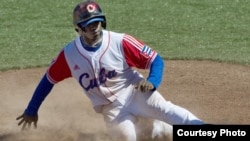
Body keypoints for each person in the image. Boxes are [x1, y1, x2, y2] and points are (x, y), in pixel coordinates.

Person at [16, 0, 204, 140]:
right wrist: (32, 109)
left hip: (135, 92)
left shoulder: (120, 41)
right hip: (111, 109)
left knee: (168, 111)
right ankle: (157, 129)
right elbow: (48, 80)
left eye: (97, 22)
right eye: (89, 25)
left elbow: (156, 60)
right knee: (127, 138)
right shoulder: (69, 55)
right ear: (78, 28)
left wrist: (153, 81)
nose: (94, 28)